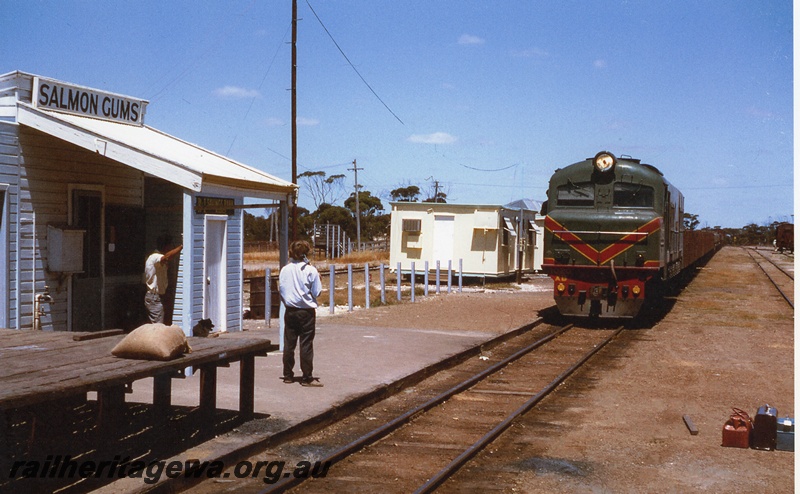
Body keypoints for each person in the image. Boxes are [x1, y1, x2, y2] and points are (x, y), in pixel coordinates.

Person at [279, 240, 323, 387]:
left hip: (290, 310)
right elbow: (316, 292)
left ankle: (287, 375)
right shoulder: (311, 270)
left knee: (289, 343)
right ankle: (306, 376)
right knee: (306, 343)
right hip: (306, 311)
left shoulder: (285, 270)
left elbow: (282, 290)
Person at [143, 238, 183, 324]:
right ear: (165, 247)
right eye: (170, 247)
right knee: (158, 326)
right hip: (154, 297)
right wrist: (181, 247)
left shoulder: (156, 259)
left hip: (158, 296)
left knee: (159, 324)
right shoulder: (155, 257)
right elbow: (167, 257)